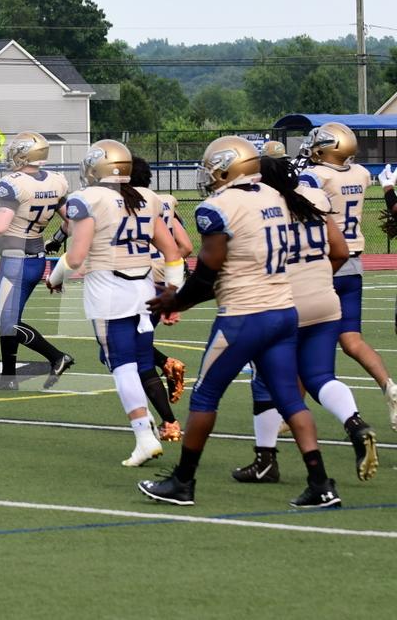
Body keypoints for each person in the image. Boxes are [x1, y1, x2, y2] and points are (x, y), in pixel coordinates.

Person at [141, 136, 341, 508]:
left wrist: (176, 300)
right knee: (289, 399)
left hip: (244, 317)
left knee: (204, 396)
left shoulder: (218, 207)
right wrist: (182, 299)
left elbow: (207, 275)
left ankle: (182, 482)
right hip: (283, 312)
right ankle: (320, 483)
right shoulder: (274, 196)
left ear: (225, 168)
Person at [233, 151, 378, 484]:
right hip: (324, 299)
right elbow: (340, 251)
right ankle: (356, 424)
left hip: (283, 302)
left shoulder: (262, 207)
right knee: (320, 375)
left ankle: (265, 459)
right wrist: (319, 277)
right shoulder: (314, 196)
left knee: (265, 381)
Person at [46, 140, 183, 467]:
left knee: (123, 366)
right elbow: (173, 252)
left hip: (109, 291)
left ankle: (144, 437)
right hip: (145, 290)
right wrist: (172, 295)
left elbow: (75, 257)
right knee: (141, 362)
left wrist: (55, 277)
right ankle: (150, 427)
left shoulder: (88, 198)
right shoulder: (146, 197)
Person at [298, 122, 397, 430]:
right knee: (352, 340)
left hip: (325, 262)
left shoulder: (316, 176)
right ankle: (389, 385)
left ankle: (291, 410)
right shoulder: (362, 174)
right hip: (353, 264)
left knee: (303, 339)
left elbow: (298, 195)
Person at [0, 131, 73, 391]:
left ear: (26, 154)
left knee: (7, 322)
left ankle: (56, 356)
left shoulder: (13, 183)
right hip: (36, 261)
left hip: (15, 262)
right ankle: (8, 379)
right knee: (11, 319)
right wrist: (57, 240)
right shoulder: (56, 181)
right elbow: (71, 222)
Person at [129, 156, 192, 441]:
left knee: (126, 354)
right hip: (162, 282)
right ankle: (166, 366)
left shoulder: (122, 203)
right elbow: (185, 246)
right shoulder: (162, 201)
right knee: (135, 348)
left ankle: (166, 422)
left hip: (135, 282)